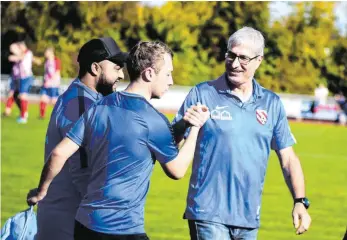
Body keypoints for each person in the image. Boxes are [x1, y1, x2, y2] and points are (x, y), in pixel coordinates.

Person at [27, 41, 210, 240]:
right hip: (103, 224)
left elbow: (60, 152)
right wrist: (195, 129)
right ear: (149, 74)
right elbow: (176, 169)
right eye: (167, 74)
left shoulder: (100, 105)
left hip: (84, 222)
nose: (171, 81)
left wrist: (40, 191)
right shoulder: (82, 103)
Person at [172, 26, 311, 239]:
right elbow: (172, 141)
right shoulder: (202, 93)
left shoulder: (271, 103)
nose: (235, 64)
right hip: (208, 213)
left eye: (243, 58)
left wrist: (300, 201)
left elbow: (288, 158)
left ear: (259, 60)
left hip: (248, 218)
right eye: (231, 55)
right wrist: (183, 123)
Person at [31, 37, 128, 240]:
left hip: (71, 217)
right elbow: (81, 169)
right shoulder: (80, 104)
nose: (121, 74)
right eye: (117, 68)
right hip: (69, 221)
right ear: (95, 68)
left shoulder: (87, 100)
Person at [38, 47, 62, 119]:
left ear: (50, 52)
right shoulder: (47, 61)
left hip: (53, 84)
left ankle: (61, 115)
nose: (45, 54)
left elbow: (57, 73)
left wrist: (49, 81)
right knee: (43, 98)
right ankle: (42, 116)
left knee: (53, 101)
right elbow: (46, 73)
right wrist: (44, 81)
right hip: (46, 84)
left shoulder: (56, 60)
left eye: (46, 52)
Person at [3, 42, 22, 117]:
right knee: (12, 94)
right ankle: (8, 110)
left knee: (18, 96)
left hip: (20, 78)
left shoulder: (23, 55)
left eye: (12, 48)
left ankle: (23, 111)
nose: (11, 50)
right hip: (14, 78)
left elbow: (18, 58)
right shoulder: (17, 56)